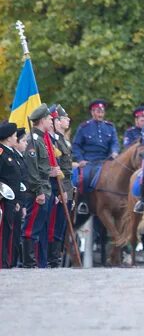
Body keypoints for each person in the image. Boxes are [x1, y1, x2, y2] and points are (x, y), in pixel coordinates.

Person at [21, 104, 55, 268]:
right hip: (37, 190)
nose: (51, 121)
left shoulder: (41, 140)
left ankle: (33, 261)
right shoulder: (33, 141)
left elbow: (42, 167)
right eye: (49, 119)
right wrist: (39, 191)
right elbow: (32, 169)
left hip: (44, 188)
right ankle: (28, 261)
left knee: (38, 226)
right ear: (42, 120)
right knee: (31, 228)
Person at [72, 99, 119, 212]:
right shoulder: (84, 127)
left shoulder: (110, 127)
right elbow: (76, 145)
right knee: (84, 178)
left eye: (102, 112)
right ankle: (83, 203)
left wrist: (115, 151)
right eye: (98, 112)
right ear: (92, 112)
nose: (100, 114)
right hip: (89, 161)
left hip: (106, 161)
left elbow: (114, 142)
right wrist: (80, 159)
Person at [47, 104, 73, 267]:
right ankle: (53, 257)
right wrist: (60, 190)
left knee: (62, 223)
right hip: (60, 185)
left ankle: (57, 255)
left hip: (68, 184)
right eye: (64, 118)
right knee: (56, 223)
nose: (68, 120)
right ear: (56, 121)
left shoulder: (63, 140)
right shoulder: (53, 141)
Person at [0, 121, 24, 269]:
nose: (17, 138)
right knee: (4, 232)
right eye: (15, 136)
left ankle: (8, 261)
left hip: (13, 200)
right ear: (8, 138)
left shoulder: (12, 154)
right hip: (4, 199)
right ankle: (3, 262)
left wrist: (18, 200)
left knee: (11, 232)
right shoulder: (2, 153)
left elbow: (17, 179)